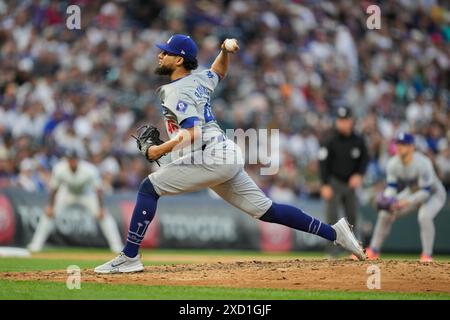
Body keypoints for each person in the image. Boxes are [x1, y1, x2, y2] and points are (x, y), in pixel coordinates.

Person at [94, 35, 366, 273]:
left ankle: (129, 256)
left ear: (179, 61)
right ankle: (336, 233)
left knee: (148, 188)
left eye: (165, 52)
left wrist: (157, 150)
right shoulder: (199, 79)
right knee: (266, 210)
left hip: (211, 154)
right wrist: (224, 51)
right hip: (223, 154)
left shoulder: (175, 90)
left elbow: (192, 132)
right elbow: (218, 72)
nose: (160, 55)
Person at [366, 133, 447, 262]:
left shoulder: (423, 162)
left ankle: (427, 255)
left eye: (403, 144)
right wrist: (387, 199)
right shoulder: (393, 163)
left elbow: (425, 192)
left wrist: (405, 202)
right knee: (384, 214)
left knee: (424, 216)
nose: (399, 147)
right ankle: (374, 250)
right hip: (413, 192)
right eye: (398, 143)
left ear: (412, 147)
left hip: (434, 194)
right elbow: (392, 188)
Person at [27, 149, 123, 253]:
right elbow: (54, 189)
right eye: (70, 159)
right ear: (67, 160)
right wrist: (50, 206)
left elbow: (98, 190)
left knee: (104, 216)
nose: (72, 161)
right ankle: (35, 245)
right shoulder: (59, 168)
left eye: (74, 159)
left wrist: (101, 208)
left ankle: (117, 246)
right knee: (48, 214)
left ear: (78, 159)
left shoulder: (89, 170)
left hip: (86, 194)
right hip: (67, 193)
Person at [318, 106, 369, 257]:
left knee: (352, 217)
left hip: (350, 184)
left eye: (345, 120)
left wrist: (359, 174)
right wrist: (324, 184)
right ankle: (332, 252)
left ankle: (352, 252)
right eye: (340, 120)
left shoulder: (358, 140)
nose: (342, 123)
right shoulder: (330, 140)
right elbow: (322, 163)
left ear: (351, 121)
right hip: (334, 182)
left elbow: (364, 159)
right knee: (332, 218)